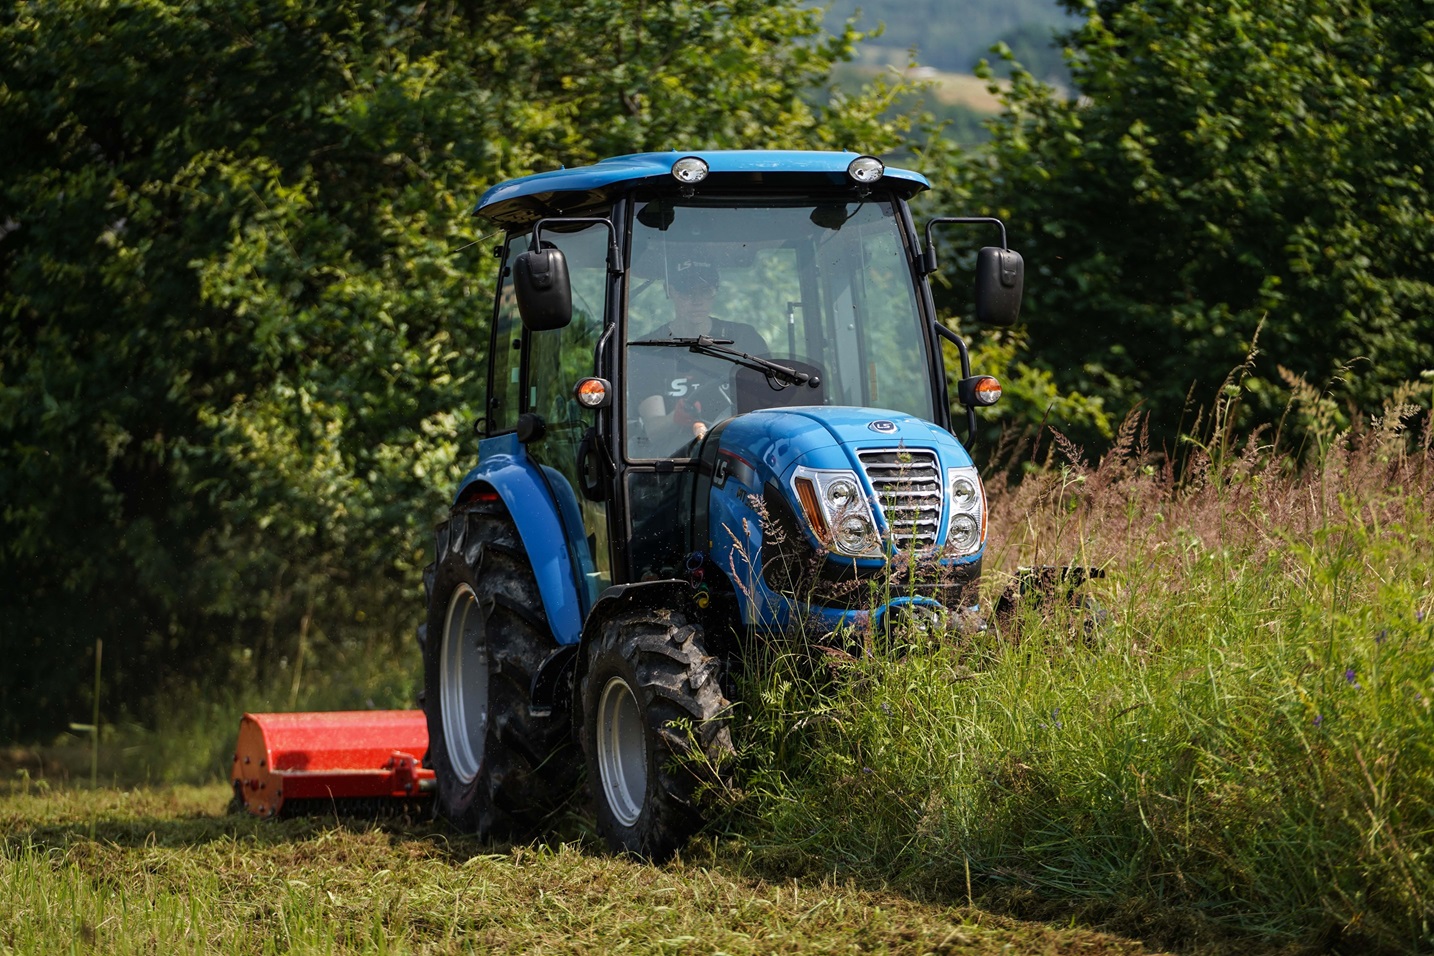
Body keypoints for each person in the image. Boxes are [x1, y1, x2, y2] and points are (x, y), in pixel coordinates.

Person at [630, 258, 768, 456]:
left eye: (706, 290)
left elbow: (770, 405)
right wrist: (677, 418)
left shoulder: (745, 340)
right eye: (687, 292)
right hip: (675, 464)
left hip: (743, 455)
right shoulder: (649, 350)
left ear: (715, 291)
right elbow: (654, 430)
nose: (697, 300)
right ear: (670, 291)